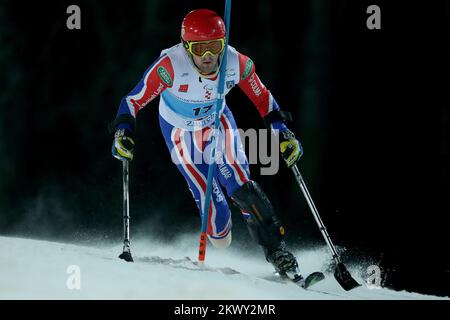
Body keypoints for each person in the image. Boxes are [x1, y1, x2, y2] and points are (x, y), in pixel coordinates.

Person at [111, 9, 304, 278]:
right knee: (218, 230)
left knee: (243, 187)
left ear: (223, 44)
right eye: (199, 48)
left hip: (217, 123)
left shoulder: (236, 63)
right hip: (179, 130)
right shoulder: (170, 66)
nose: (208, 56)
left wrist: (282, 131)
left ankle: (278, 252)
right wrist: (124, 131)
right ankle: (218, 222)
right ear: (186, 46)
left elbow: (263, 100)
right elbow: (132, 100)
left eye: (215, 46)